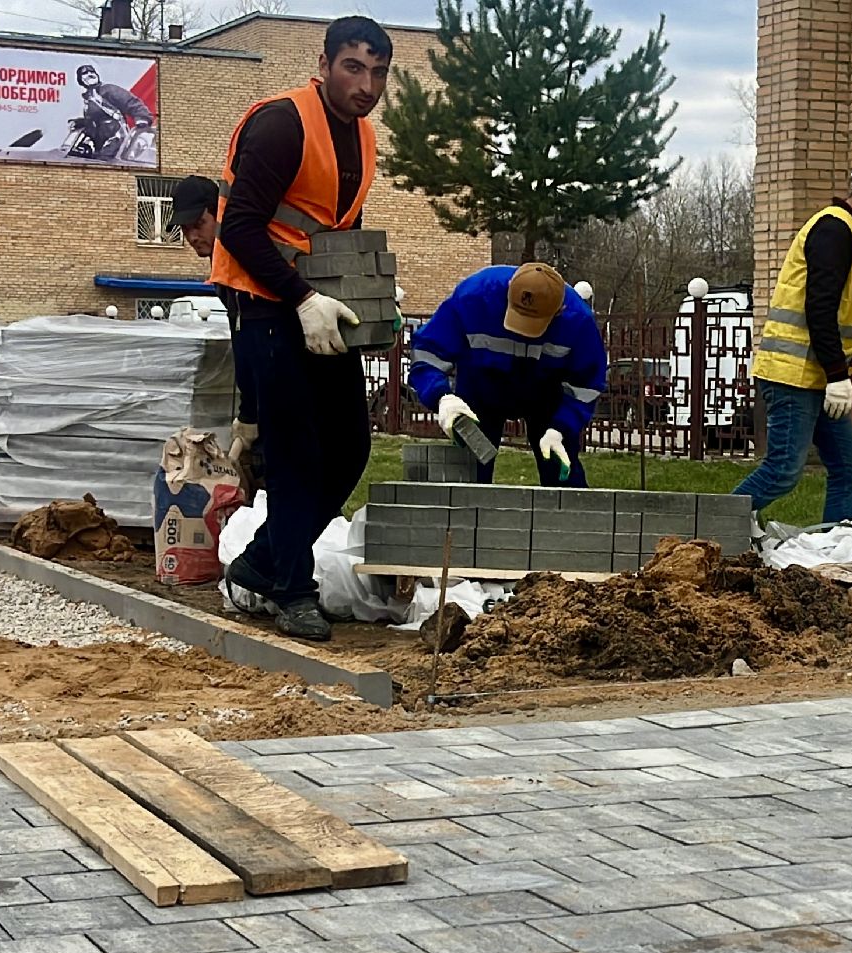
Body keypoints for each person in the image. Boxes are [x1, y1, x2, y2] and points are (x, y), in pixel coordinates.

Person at [207, 15, 391, 641]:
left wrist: (358, 292)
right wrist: (301, 298)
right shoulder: (282, 123)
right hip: (267, 304)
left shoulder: (362, 138)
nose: (366, 84)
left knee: (348, 449)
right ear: (325, 64)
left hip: (322, 309)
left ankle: (261, 563)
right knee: (295, 456)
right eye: (354, 67)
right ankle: (291, 587)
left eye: (378, 71)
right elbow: (240, 228)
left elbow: (336, 229)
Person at [732, 162, 852, 532]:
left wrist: (834, 375)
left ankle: (837, 546)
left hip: (816, 376)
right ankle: (709, 526)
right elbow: (818, 308)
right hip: (794, 376)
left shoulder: (847, 233)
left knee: (846, 467)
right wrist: (837, 375)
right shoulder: (834, 230)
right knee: (783, 470)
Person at [406, 263, 608, 488]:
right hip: (481, 386)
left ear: (559, 310)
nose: (520, 333)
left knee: (561, 471)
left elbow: (586, 385)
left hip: (546, 393)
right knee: (470, 475)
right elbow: (428, 351)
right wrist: (441, 396)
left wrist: (562, 427)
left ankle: (572, 519)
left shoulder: (578, 322)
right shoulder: (474, 297)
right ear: (509, 290)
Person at [170, 174, 259, 489]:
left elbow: (253, 342)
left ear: (219, 214)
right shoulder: (221, 270)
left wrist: (252, 412)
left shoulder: (241, 262)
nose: (192, 236)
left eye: (198, 224)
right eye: (185, 230)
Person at [74, 64, 154, 160]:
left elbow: (130, 101)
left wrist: (142, 117)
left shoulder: (109, 90)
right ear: (81, 80)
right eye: (85, 73)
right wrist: (80, 122)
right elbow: (95, 120)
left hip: (116, 138)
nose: (90, 74)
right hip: (100, 143)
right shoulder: (90, 98)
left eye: (92, 72)